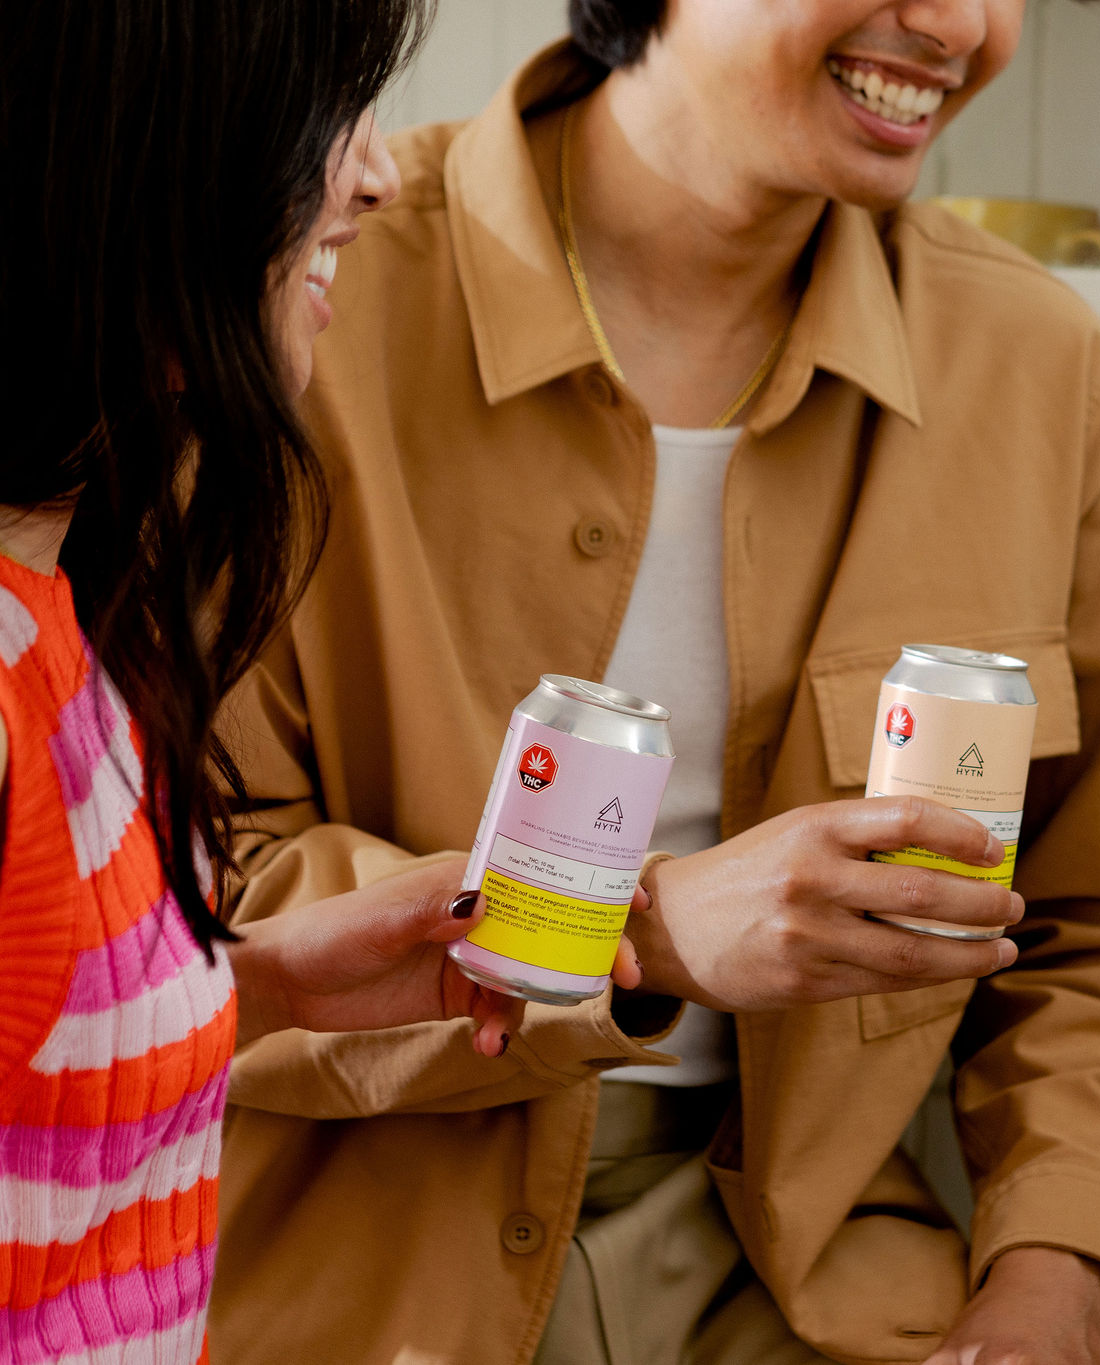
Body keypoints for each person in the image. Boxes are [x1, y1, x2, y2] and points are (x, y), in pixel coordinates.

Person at [210, 2, 1100, 1363]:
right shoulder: (309, 297)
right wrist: (648, 927)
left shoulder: (1042, 371)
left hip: (808, 1275)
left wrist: (1059, 1271)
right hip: (342, 1246)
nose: (954, 26)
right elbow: (192, 895)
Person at [0, 3, 664, 1362]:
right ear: (146, 161)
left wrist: (265, 983)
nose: (371, 175)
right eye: (325, 117)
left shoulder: (71, 610)